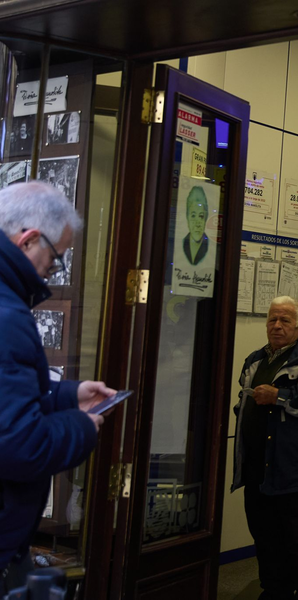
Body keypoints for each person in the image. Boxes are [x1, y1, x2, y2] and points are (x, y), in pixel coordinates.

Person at [0, 181, 115, 594]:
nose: (55, 268)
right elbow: (19, 445)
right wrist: (82, 428)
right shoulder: (9, 316)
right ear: (30, 239)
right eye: (56, 257)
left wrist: (68, 395)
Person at [230, 296, 298, 600]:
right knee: (268, 545)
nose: (276, 326)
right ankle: (275, 592)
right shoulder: (254, 359)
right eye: (272, 319)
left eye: (285, 320)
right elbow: (243, 400)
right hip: (258, 474)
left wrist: (280, 397)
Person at [182, 186, 209, 265]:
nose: (197, 224)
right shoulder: (181, 244)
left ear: (205, 219)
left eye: (201, 216)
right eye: (193, 216)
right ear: (187, 218)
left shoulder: (209, 247)